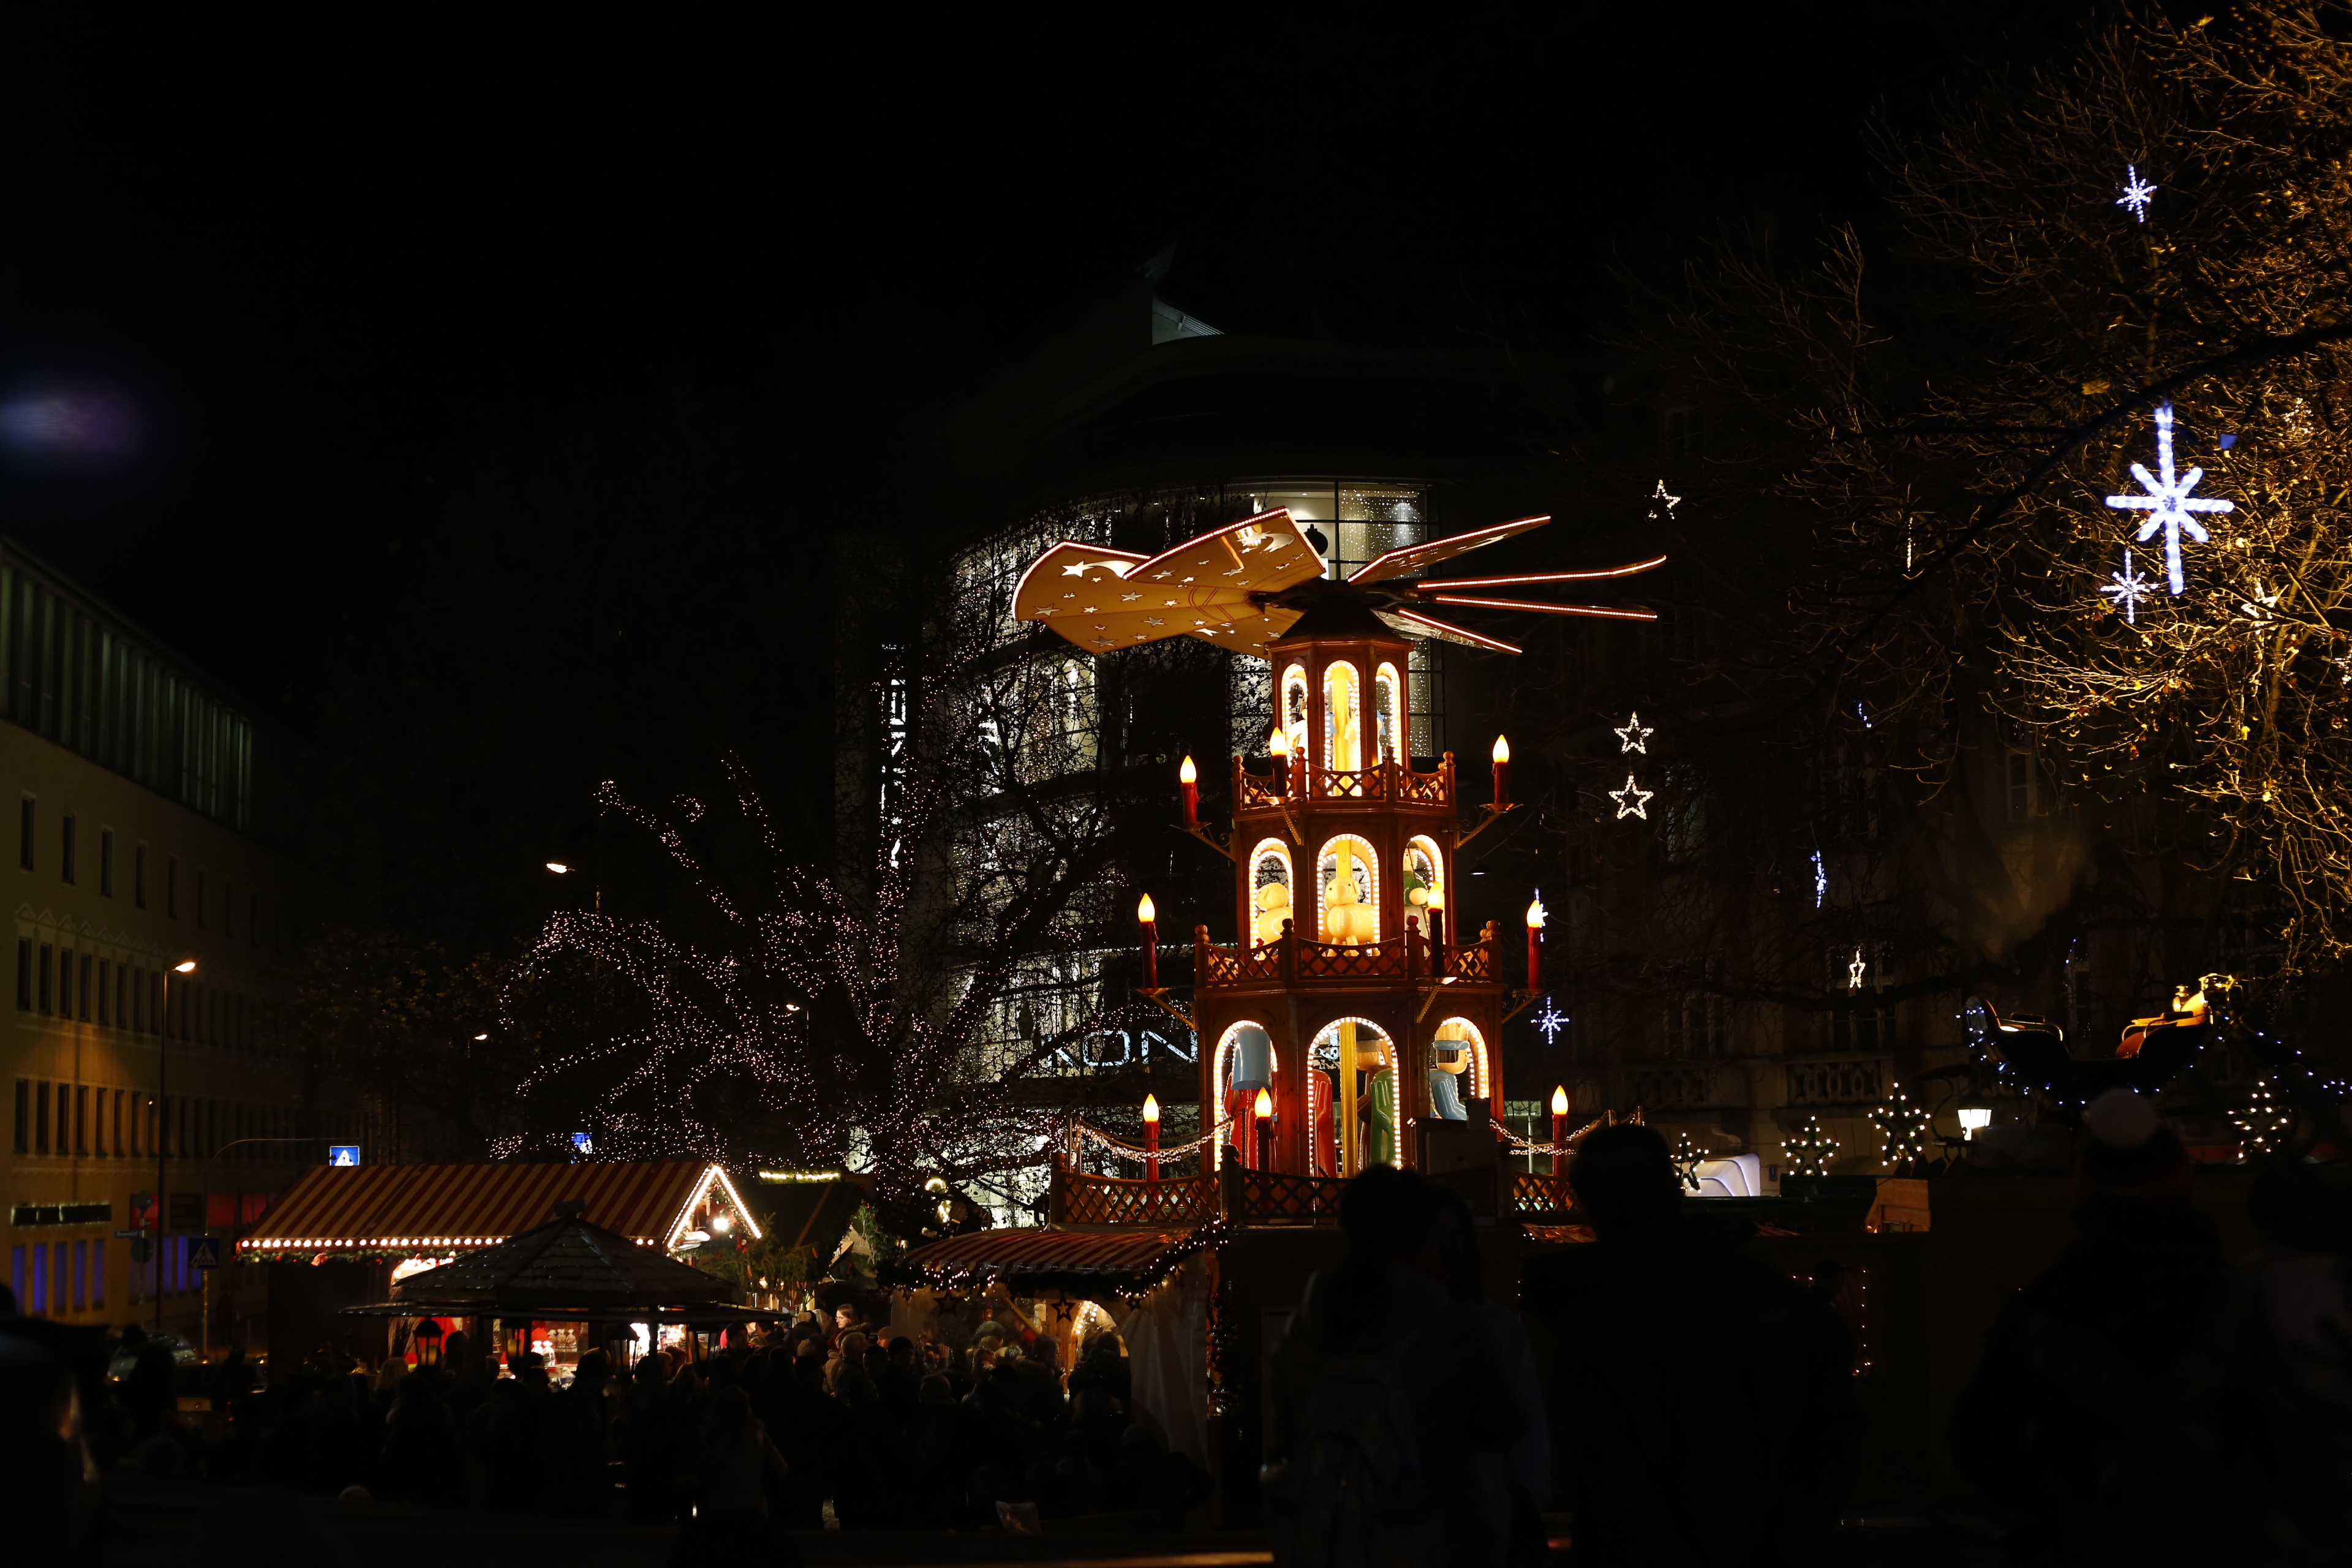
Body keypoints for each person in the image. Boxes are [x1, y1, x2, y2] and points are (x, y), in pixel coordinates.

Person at [1951, 1090, 2283, 1562]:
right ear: (2181, 1183)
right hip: (2212, 1537)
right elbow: (2282, 1429)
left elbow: (1979, 1435)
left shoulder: (2052, 1300)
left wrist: (2053, 1503)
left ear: (2084, 1187)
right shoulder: (2231, 1295)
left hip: (2082, 1536)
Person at [1527, 1123, 1857, 1564]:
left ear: (1589, 1205)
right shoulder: (1756, 1294)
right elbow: (1831, 1405)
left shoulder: (1577, 1311)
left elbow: (1587, 1456)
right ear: (1672, 1190)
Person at [1268, 1164, 1526, 1568]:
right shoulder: (1458, 1322)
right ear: (1425, 1231)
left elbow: (1286, 1423)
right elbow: (1503, 1424)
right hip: (1444, 1527)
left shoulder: (1311, 1321)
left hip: (1334, 1528)